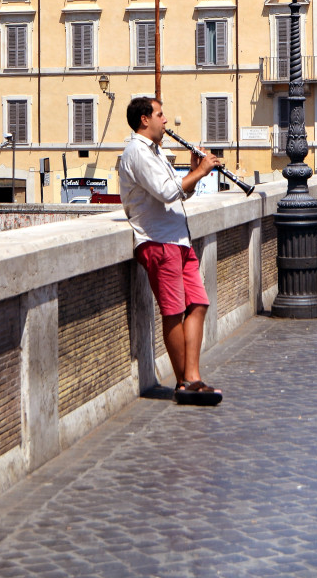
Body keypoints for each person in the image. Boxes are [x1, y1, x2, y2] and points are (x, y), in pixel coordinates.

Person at [118, 96, 222, 404]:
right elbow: (165, 192)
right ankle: (184, 383)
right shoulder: (136, 152)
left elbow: (177, 193)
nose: (166, 120)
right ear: (144, 120)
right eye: (160, 115)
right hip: (157, 241)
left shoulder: (156, 152)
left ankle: (193, 377)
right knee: (174, 312)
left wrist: (191, 176)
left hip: (179, 239)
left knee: (199, 304)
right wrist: (201, 171)